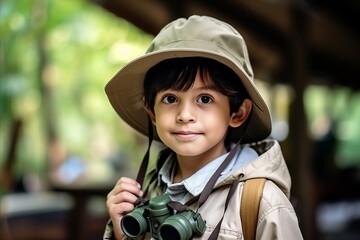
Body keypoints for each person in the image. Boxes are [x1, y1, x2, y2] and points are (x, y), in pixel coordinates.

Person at [104, 15, 303, 240]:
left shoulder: (260, 203)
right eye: (170, 99)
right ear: (153, 113)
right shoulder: (146, 193)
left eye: (205, 99)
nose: (185, 115)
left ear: (238, 113)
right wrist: (123, 234)